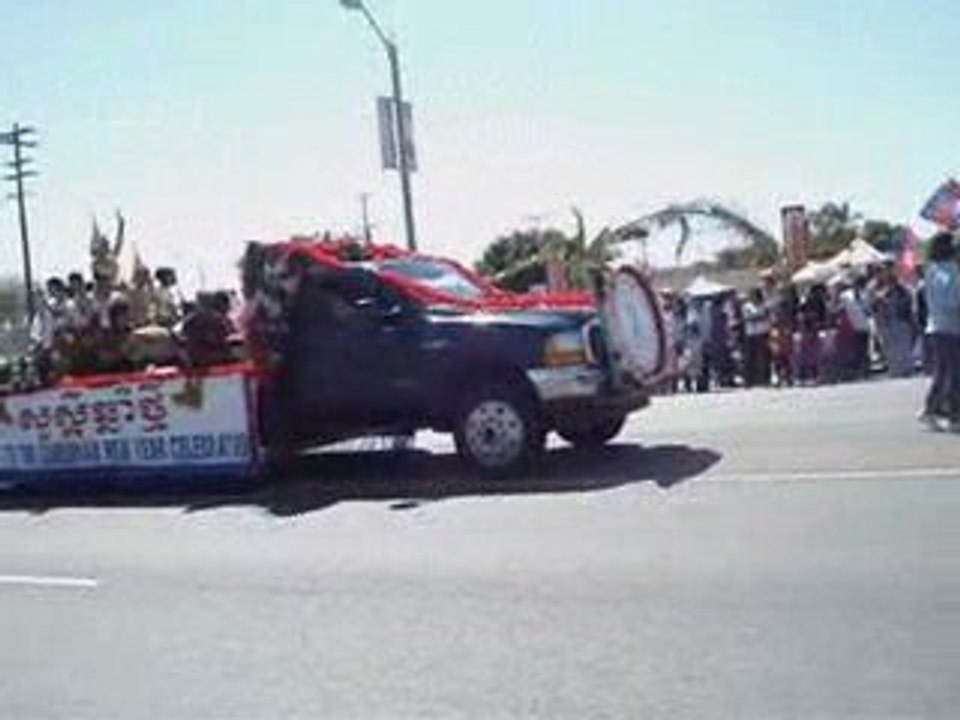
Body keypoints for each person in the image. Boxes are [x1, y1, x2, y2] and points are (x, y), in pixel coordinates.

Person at [919, 233, 960, 430]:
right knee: (954, 374)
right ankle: (954, 416)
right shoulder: (950, 270)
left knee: (942, 373)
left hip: (936, 326)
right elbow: (952, 300)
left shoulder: (931, 270)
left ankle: (931, 410)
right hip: (951, 327)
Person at [873, 263, 916, 378]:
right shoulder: (875, 287)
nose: (884, 273)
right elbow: (871, 305)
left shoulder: (899, 286)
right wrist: (880, 299)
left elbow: (908, 299)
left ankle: (906, 371)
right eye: (882, 270)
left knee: (903, 347)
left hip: (900, 320)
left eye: (887, 269)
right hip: (884, 322)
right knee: (889, 348)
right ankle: (895, 371)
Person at [743, 288, 772, 387]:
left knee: (764, 357)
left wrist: (757, 317)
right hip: (750, 333)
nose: (753, 298)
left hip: (763, 332)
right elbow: (747, 318)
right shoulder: (747, 306)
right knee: (750, 358)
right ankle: (750, 380)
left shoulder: (764, 305)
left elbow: (766, 316)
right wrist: (757, 317)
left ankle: (764, 379)